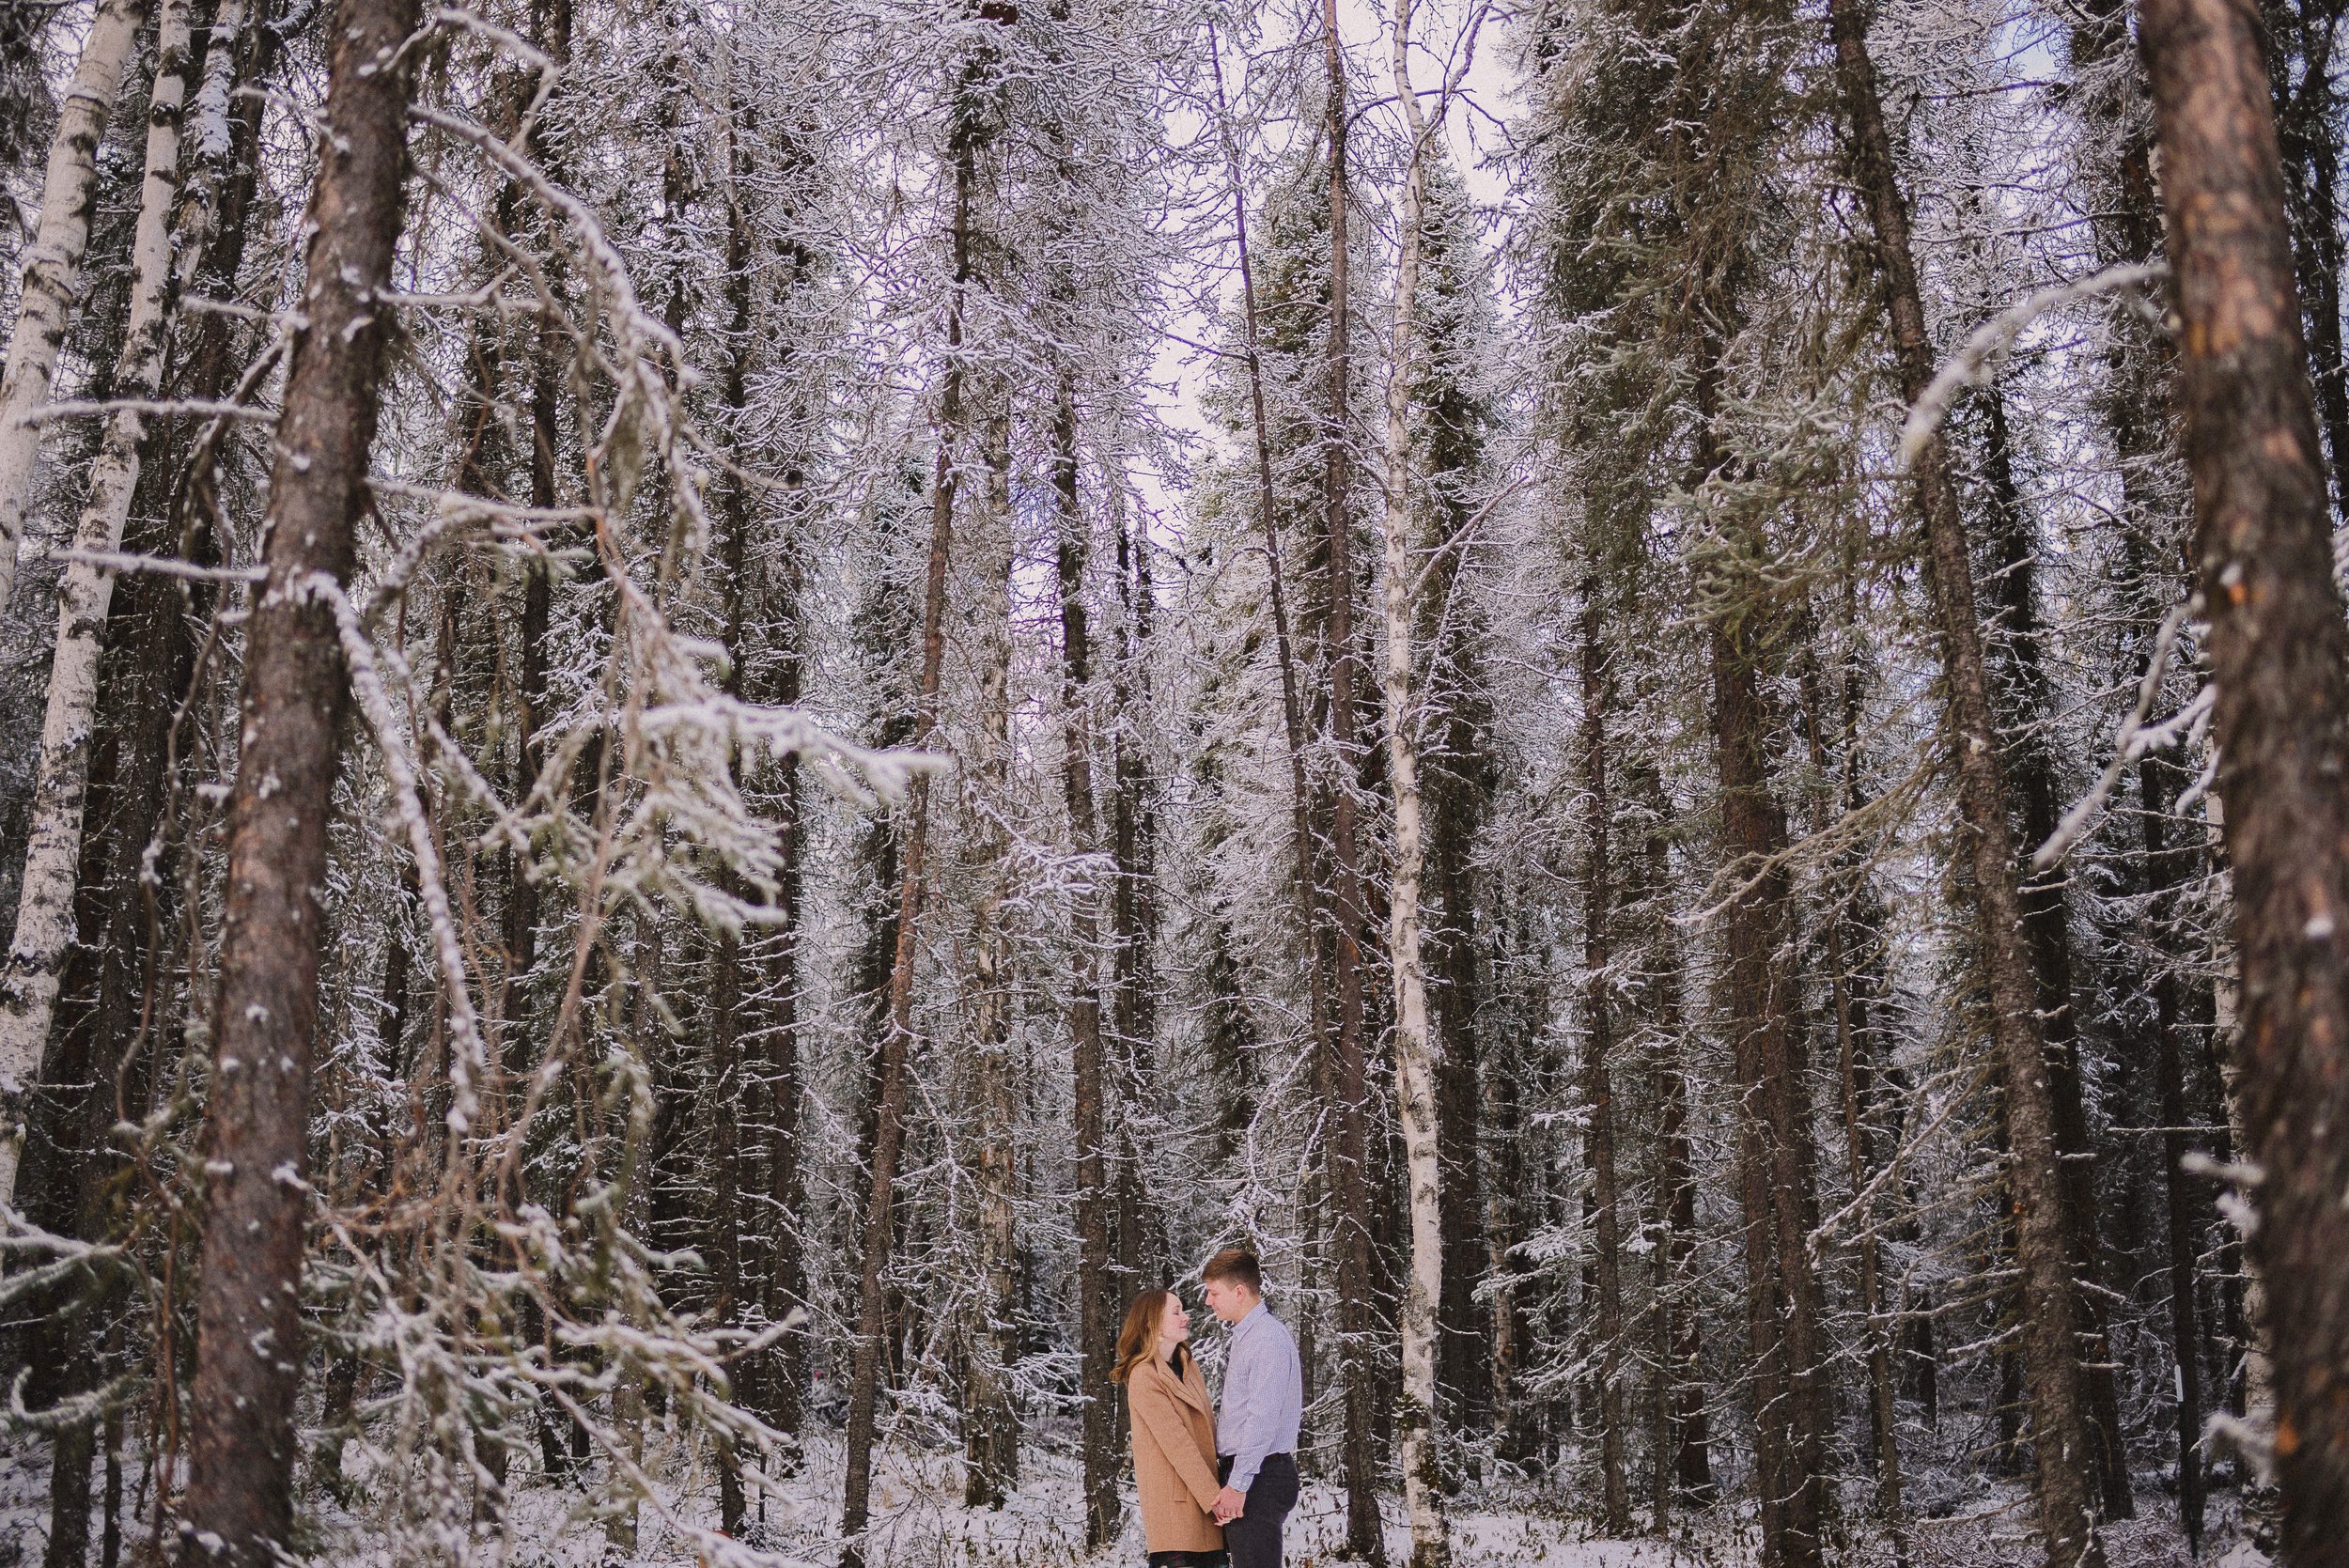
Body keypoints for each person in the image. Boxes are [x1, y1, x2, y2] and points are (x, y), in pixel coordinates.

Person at [1112, 1287, 1228, 1567]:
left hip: (1207, 1502)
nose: (1185, 1317)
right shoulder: (1144, 1376)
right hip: (1177, 1513)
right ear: (1154, 1323)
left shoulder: (1188, 1365)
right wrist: (1216, 1501)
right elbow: (1178, 1445)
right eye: (1176, 1311)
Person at [1202, 1248, 1300, 1568]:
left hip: (1260, 1475)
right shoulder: (1249, 1336)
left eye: (1214, 1292)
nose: (1208, 1301)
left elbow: (1262, 1420)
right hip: (1253, 1473)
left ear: (1240, 1292)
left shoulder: (1267, 1339)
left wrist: (1239, 1484)